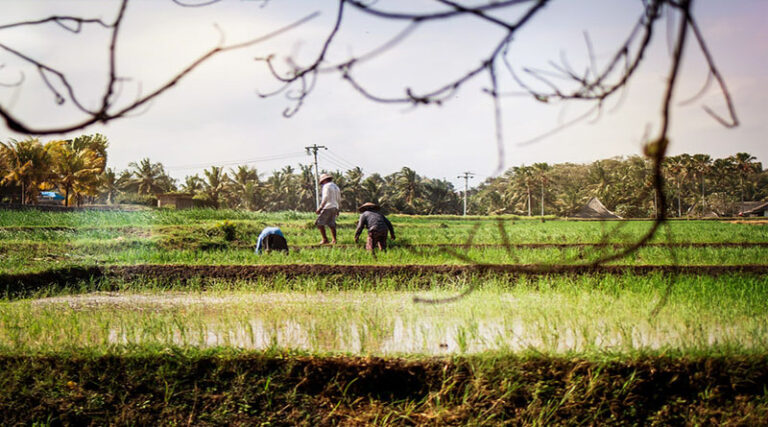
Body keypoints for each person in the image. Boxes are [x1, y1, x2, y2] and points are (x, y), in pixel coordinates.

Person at [315, 173, 341, 244]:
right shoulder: (336, 187)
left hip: (328, 206)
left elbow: (325, 197)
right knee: (331, 224)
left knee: (319, 223)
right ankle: (334, 240)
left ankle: (325, 239)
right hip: (335, 207)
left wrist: (320, 207)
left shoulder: (326, 186)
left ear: (324, 180)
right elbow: (339, 199)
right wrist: (338, 209)